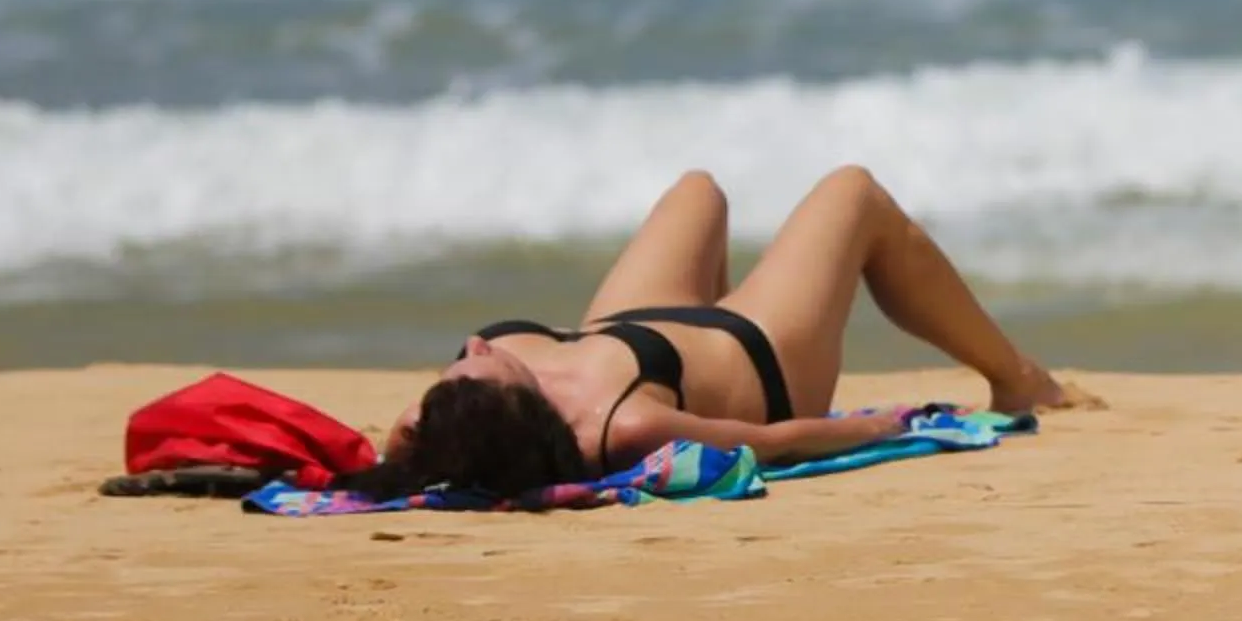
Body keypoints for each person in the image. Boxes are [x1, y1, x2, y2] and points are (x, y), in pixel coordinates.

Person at [347, 166, 1074, 499]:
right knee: (854, 195)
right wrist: (889, 425)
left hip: (636, 328)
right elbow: (777, 444)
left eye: (466, 360)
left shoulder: (435, 424)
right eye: (483, 363)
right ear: (520, 406)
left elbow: (367, 459)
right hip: (760, 352)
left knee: (698, 190)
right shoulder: (623, 424)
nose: (477, 347)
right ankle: (1014, 376)